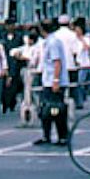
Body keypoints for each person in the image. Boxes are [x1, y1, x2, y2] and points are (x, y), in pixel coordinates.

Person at [34, 18, 70, 146]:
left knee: (56, 110)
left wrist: (56, 80)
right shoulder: (50, 41)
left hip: (54, 82)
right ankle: (46, 135)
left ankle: (62, 136)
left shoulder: (53, 42)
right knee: (46, 110)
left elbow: (57, 62)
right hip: (48, 80)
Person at [1, 18, 25, 113]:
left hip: (15, 64)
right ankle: (4, 104)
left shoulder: (19, 37)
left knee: (13, 86)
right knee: (4, 87)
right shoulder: (2, 36)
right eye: (9, 25)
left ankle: (12, 103)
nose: (10, 27)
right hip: (4, 63)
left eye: (12, 25)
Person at [72, 20, 90, 109]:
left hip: (84, 64)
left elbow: (87, 48)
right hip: (76, 64)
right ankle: (79, 100)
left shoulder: (87, 38)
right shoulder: (74, 40)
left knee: (80, 83)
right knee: (77, 84)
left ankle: (81, 100)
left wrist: (82, 39)